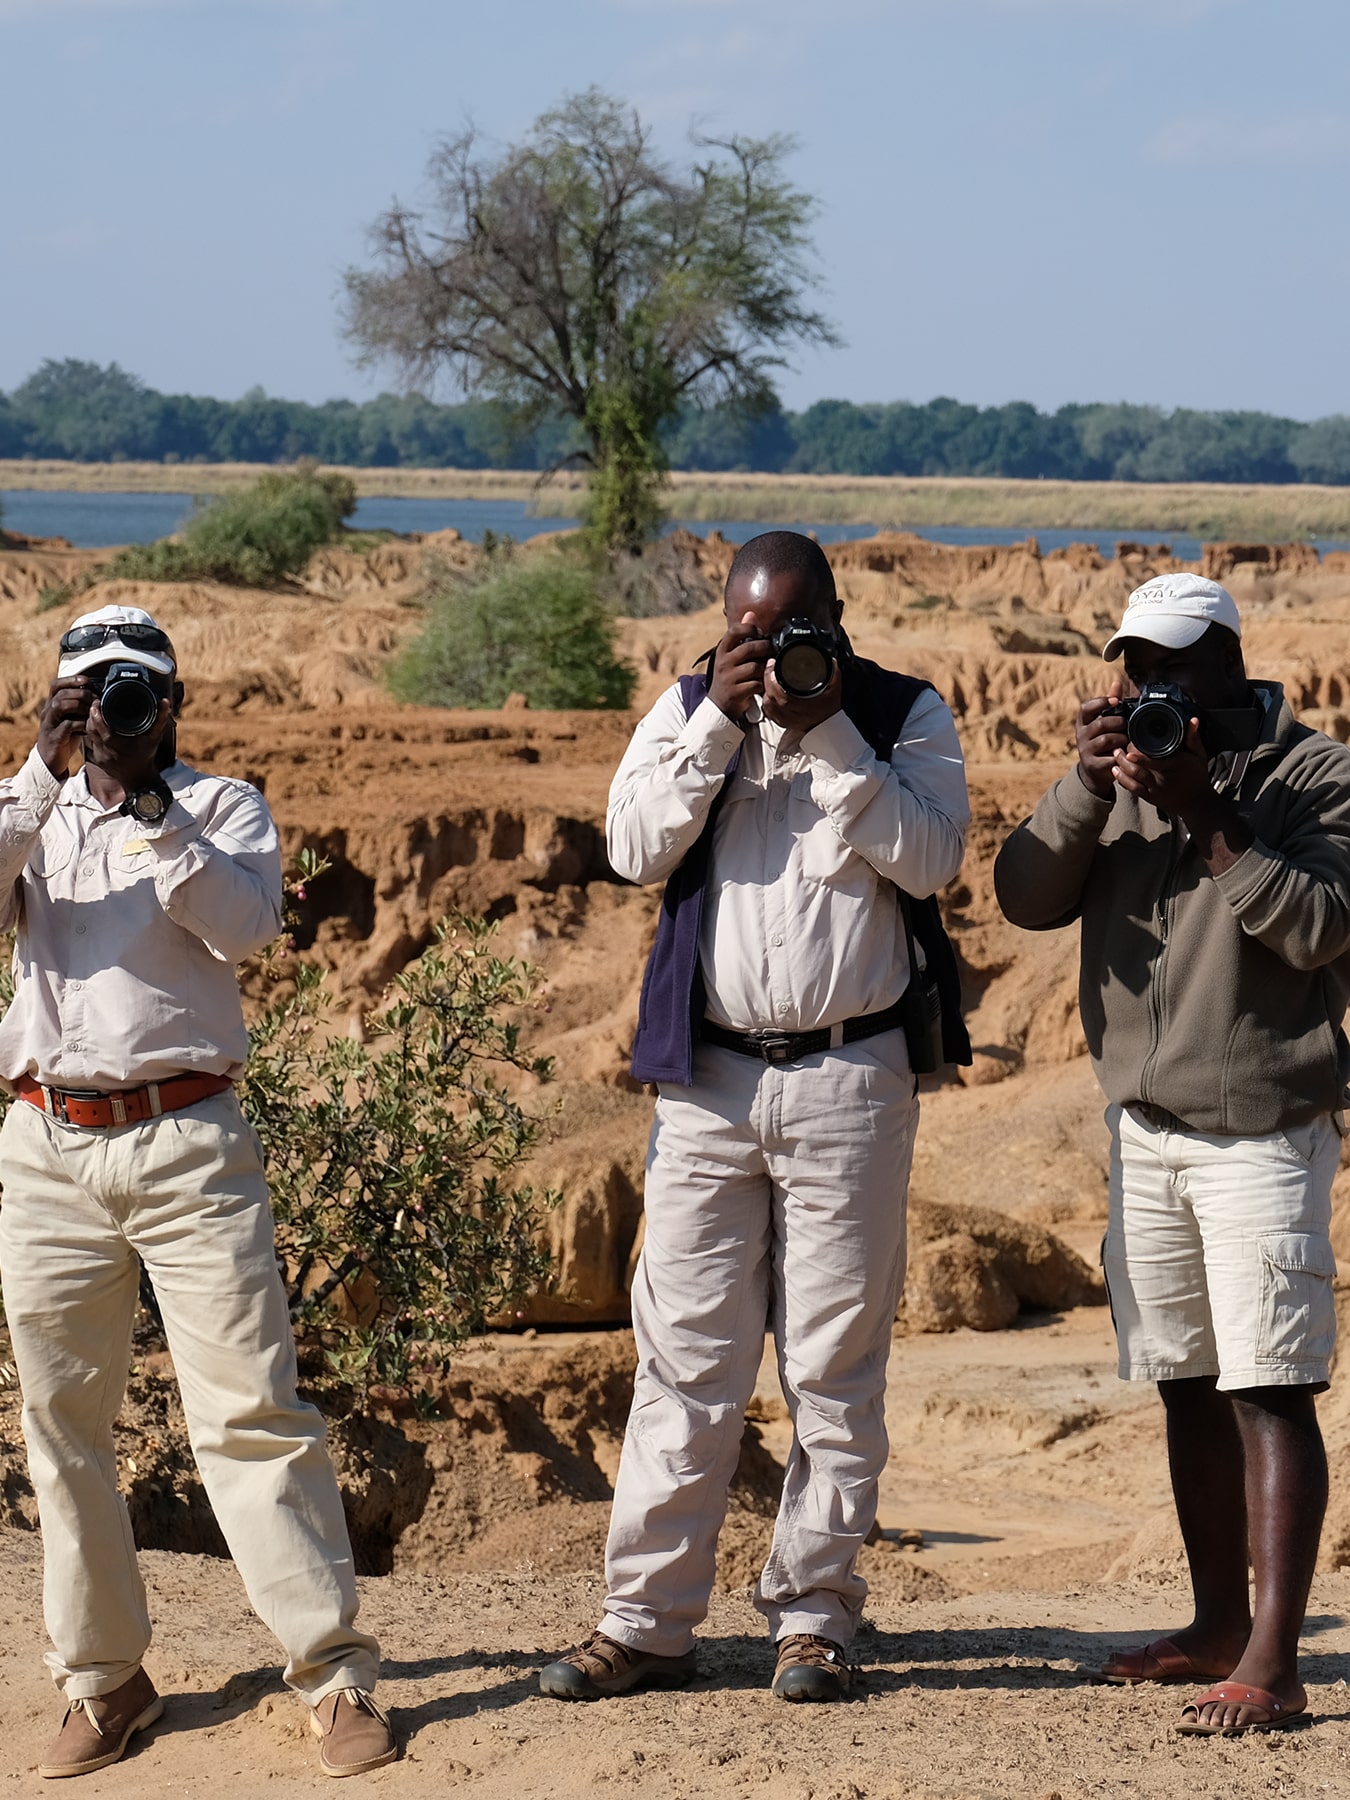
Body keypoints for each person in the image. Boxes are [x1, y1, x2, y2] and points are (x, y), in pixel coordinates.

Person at [539, 531, 969, 1703]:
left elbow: (931, 859)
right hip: (711, 1086)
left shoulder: (902, 712)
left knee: (833, 1358)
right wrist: (717, 727)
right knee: (685, 1359)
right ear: (724, 624)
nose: (766, 649)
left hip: (850, 1077)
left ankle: (815, 1618)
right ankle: (645, 1625)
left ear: (834, 615)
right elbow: (632, 850)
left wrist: (828, 729)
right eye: (746, 629)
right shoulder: (688, 708)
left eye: (788, 629)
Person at [0, 605, 397, 1779]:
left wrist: (149, 806)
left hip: (186, 1141)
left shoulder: (219, 806)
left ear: (173, 705)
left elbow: (246, 925)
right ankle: (106, 1680)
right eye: (88, 694)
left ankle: (332, 1676)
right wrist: (40, 768)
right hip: (47, 1144)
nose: (113, 715)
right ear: (61, 703)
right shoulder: (32, 810)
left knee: (251, 1414)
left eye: (133, 696)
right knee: (62, 1424)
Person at [994, 572, 1350, 1737]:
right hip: (1143, 1134)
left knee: (1269, 1390)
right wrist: (1085, 791)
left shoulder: (1312, 776)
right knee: (1189, 1388)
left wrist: (1207, 814)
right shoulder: (1120, 783)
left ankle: (1274, 1663)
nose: (1153, 693)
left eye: (1174, 670)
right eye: (1136, 671)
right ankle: (1210, 1625)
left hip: (1261, 1134)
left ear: (1227, 670)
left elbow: (1319, 928)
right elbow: (1023, 899)